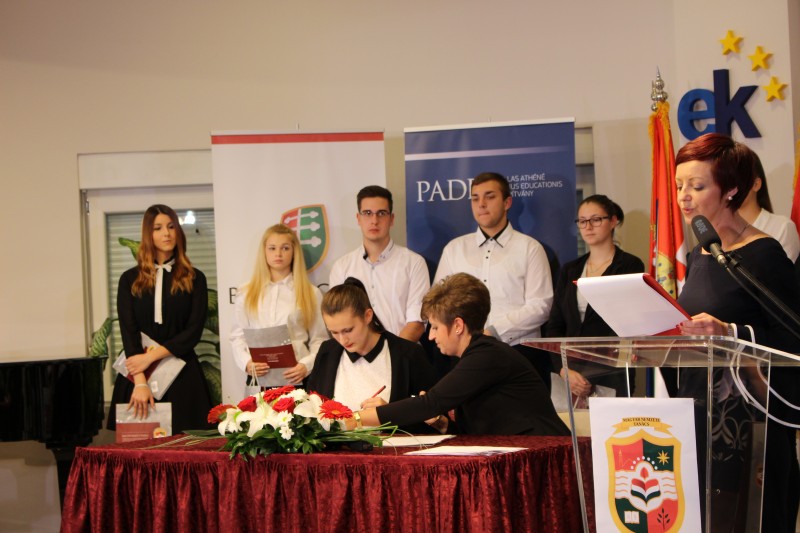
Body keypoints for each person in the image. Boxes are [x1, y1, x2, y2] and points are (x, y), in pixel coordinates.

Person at [673, 133, 800, 533]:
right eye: (679, 185)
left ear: (730, 189)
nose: (683, 197)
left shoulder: (763, 253)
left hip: (752, 422)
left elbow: (792, 337)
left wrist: (730, 331)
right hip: (700, 414)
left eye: (696, 186)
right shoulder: (698, 254)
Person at [349, 273, 570, 436]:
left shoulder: (486, 355)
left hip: (545, 456)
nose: (431, 336)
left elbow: (430, 403)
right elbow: (483, 426)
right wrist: (443, 424)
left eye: (435, 327)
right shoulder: (477, 355)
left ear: (457, 325)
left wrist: (353, 420)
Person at [434, 172, 554, 390]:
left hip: (518, 353)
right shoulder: (454, 249)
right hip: (464, 356)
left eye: (489, 197)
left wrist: (492, 331)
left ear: (507, 202)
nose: (481, 204)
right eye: (475, 198)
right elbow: (439, 304)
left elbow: (540, 306)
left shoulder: (530, 248)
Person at [107, 204, 212, 434]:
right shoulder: (129, 279)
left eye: (171, 226)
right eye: (158, 228)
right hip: (139, 376)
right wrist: (140, 381)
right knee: (139, 448)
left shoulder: (195, 278)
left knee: (186, 447)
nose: (167, 233)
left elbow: (193, 332)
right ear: (148, 234)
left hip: (182, 374)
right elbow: (129, 332)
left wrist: (150, 357)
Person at [306, 278, 437, 433]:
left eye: (348, 330)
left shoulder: (408, 354)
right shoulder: (327, 352)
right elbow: (312, 409)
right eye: (334, 332)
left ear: (368, 316)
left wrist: (391, 414)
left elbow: (433, 419)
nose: (342, 340)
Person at [545, 194, 644, 399]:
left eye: (596, 219)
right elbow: (555, 325)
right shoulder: (570, 270)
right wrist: (564, 369)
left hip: (611, 372)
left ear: (613, 221)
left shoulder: (629, 265)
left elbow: (627, 324)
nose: (588, 227)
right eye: (582, 221)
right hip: (570, 374)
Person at [229, 224, 328, 386]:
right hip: (259, 377)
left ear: (294, 251)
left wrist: (306, 365)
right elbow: (237, 336)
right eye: (272, 248)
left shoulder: (310, 293)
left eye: (285, 248)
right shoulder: (246, 292)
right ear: (264, 251)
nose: (278, 254)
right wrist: (247, 362)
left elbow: (320, 339)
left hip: (297, 377)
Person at [329, 185, 430, 342]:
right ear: (358, 218)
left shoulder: (414, 263)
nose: (374, 221)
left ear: (392, 219)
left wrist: (390, 353)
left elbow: (416, 323)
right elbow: (337, 321)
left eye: (381, 213)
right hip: (356, 355)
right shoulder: (341, 267)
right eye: (367, 213)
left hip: (403, 353)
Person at [737, 153, 800, 262]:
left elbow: (785, 272)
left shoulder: (782, 227)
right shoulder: (718, 230)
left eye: (736, 178)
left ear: (756, 184)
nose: (729, 187)